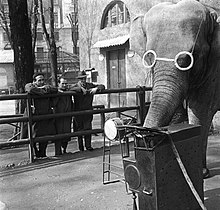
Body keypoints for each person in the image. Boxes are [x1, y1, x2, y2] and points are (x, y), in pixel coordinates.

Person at [24, 73, 58, 158]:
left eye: (43, 80)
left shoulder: (46, 87)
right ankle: (35, 154)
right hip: (34, 116)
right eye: (39, 80)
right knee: (33, 135)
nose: (42, 82)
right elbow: (29, 89)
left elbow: (54, 89)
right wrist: (41, 91)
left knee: (45, 135)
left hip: (45, 114)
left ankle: (43, 153)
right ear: (34, 81)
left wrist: (45, 89)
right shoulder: (30, 86)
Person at [71, 70, 105, 151]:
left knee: (88, 128)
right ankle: (81, 147)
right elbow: (70, 88)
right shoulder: (75, 86)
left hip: (88, 110)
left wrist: (96, 88)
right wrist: (80, 89)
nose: (83, 80)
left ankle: (88, 146)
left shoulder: (90, 85)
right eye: (81, 79)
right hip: (78, 111)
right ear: (78, 79)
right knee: (79, 130)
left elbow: (102, 86)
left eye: (84, 78)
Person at [53, 77, 78, 156]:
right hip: (58, 116)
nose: (64, 85)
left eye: (66, 83)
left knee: (67, 132)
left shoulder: (69, 91)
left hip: (67, 115)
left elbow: (77, 89)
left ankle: (64, 150)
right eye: (62, 83)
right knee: (58, 133)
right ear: (58, 84)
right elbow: (53, 103)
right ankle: (58, 152)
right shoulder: (55, 92)